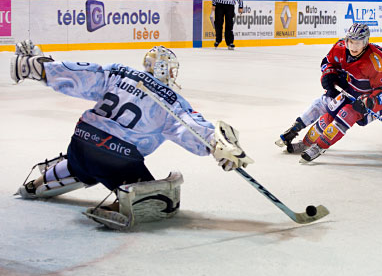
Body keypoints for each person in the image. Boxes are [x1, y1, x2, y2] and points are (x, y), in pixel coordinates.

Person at [12, 41, 252, 231]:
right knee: (165, 198)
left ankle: (35, 185)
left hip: (80, 143)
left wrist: (44, 67)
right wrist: (217, 146)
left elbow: (82, 76)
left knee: (81, 165)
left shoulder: (120, 73)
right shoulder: (172, 101)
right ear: (168, 70)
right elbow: (191, 127)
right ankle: (120, 202)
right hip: (117, 160)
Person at [277, 23, 382, 163]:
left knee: (346, 114)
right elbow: (327, 62)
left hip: (374, 98)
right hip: (351, 89)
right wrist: (328, 74)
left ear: (366, 43)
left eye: (358, 43)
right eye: (351, 42)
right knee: (326, 106)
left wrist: (370, 102)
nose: (353, 47)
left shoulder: (377, 61)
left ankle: (320, 146)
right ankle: (305, 141)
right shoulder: (340, 47)